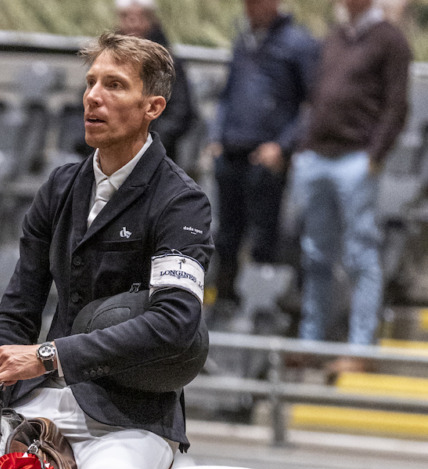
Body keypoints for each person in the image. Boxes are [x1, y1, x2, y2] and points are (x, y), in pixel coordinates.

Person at [0, 31, 213, 469]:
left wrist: (50, 356)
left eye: (114, 85)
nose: (93, 97)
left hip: (132, 417)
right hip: (40, 401)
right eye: (90, 83)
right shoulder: (59, 188)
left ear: (152, 107)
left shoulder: (182, 202)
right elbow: (18, 307)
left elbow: (175, 324)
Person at [293, 0, 410, 373]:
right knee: (315, 255)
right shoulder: (336, 37)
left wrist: (374, 156)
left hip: (356, 160)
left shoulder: (390, 40)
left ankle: (361, 349)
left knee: (361, 256)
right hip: (318, 157)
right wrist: (306, 145)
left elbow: (397, 105)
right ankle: (311, 341)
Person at [208, 0, 318, 311]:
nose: (250, 8)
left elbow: (311, 104)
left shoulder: (297, 43)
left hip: (266, 156)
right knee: (226, 234)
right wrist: (218, 135)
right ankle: (223, 304)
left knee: (263, 237)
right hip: (231, 150)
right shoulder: (244, 40)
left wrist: (283, 146)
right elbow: (229, 93)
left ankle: (260, 309)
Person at [115, 0, 198, 163]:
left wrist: (149, 141)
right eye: (126, 17)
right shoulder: (108, 60)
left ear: (151, 20)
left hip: (155, 156)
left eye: (139, 17)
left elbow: (181, 112)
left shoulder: (168, 62)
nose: (133, 24)